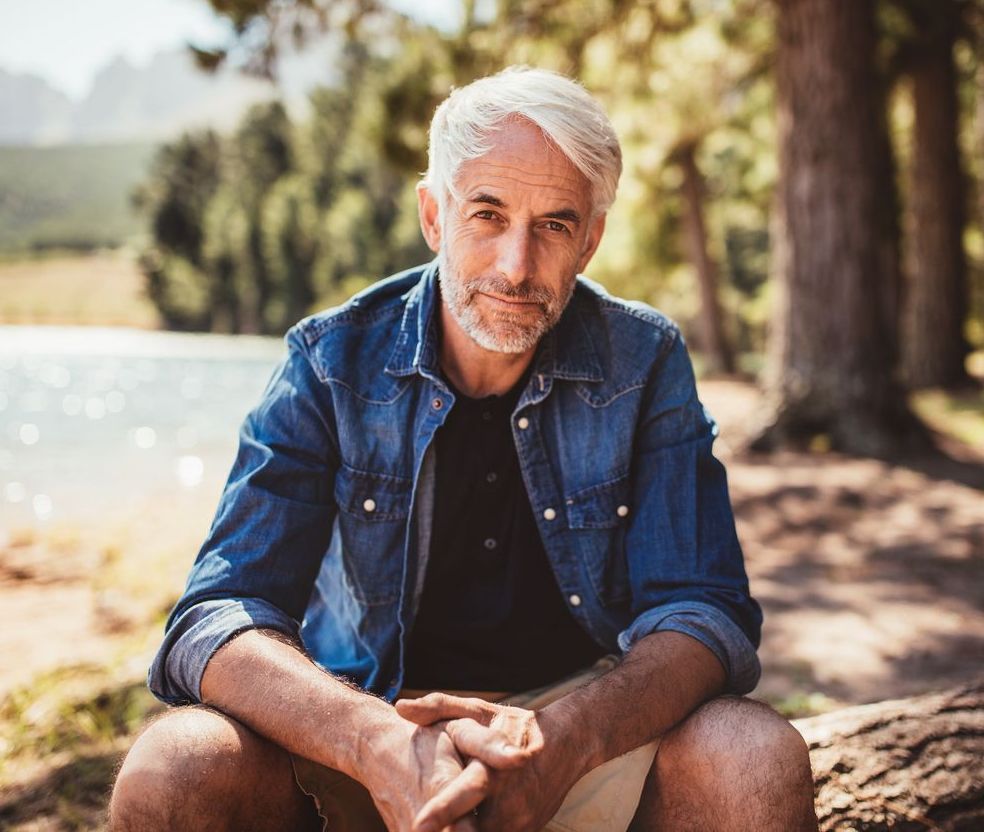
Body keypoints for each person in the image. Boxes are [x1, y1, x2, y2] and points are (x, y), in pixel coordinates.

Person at [109, 66, 818, 832]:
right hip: (367, 719)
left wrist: (563, 743)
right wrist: (375, 742)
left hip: (580, 726)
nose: (517, 266)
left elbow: (703, 610)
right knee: (175, 768)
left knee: (753, 757)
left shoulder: (644, 360)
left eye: (554, 225)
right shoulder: (329, 361)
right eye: (487, 214)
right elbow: (217, 615)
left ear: (590, 241)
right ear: (433, 215)